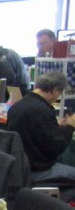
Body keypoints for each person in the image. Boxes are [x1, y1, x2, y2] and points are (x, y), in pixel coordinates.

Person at [7, 72, 75, 202]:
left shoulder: (17, 106)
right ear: (54, 91)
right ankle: (51, 204)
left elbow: (36, 133)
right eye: (59, 93)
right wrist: (70, 126)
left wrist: (57, 126)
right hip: (37, 169)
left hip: (19, 167)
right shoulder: (42, 111)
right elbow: (56, 148)